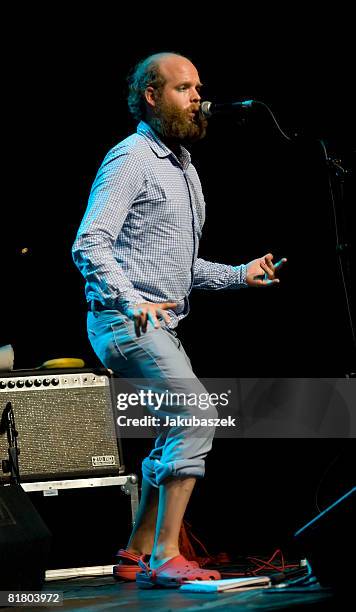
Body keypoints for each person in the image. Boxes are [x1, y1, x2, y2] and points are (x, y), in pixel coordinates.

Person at [72, 51, 286, 588]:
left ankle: (136, 551)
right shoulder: (132, 159)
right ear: (151, 96)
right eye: (184, 88)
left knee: (175, 425)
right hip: (126, 323)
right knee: (197, 414)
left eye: (198, 87)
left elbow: (178, 265)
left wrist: (239, 274)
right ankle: (169, 555)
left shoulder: (183, 167)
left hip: (157, 324)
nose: (198, 98)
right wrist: (130, 299)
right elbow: (90, 242)